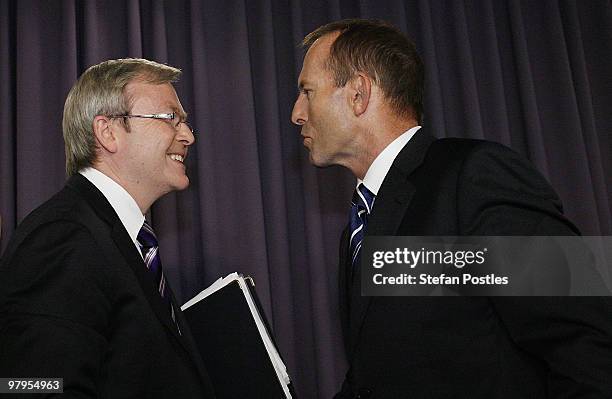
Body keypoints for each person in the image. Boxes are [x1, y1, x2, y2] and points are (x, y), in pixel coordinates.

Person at [292, 19, 612, 398]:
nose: (298, 113)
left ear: (359, 93)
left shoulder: (475, 176)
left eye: (308, 92)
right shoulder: (359, 229)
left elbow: (587, 343)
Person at [0, 59, 216, 398]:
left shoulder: (127, 242)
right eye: (170, 117)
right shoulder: (64, 236)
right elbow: (31, 388)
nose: (188, 135)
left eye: (185, 122)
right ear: (108, 132)